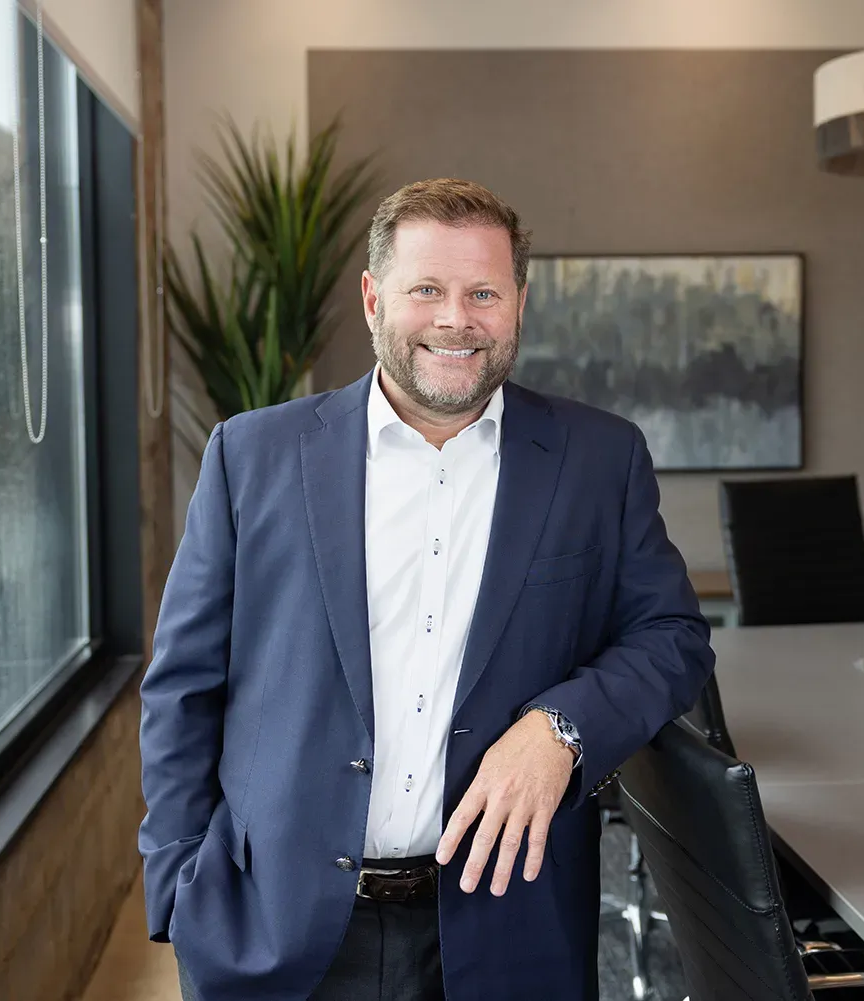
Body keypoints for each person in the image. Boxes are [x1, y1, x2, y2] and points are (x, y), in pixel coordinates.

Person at [138, 177, 715, 1001]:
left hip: (510, 932)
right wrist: (178, 889)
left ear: (518, 301)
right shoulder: (252, 456)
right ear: (375, 298)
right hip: (275, 931)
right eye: (427, 290)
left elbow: (673, 636)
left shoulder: (599, 459)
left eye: (483, 291)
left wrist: (562, 726)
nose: (456, 318)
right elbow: (182, 689)